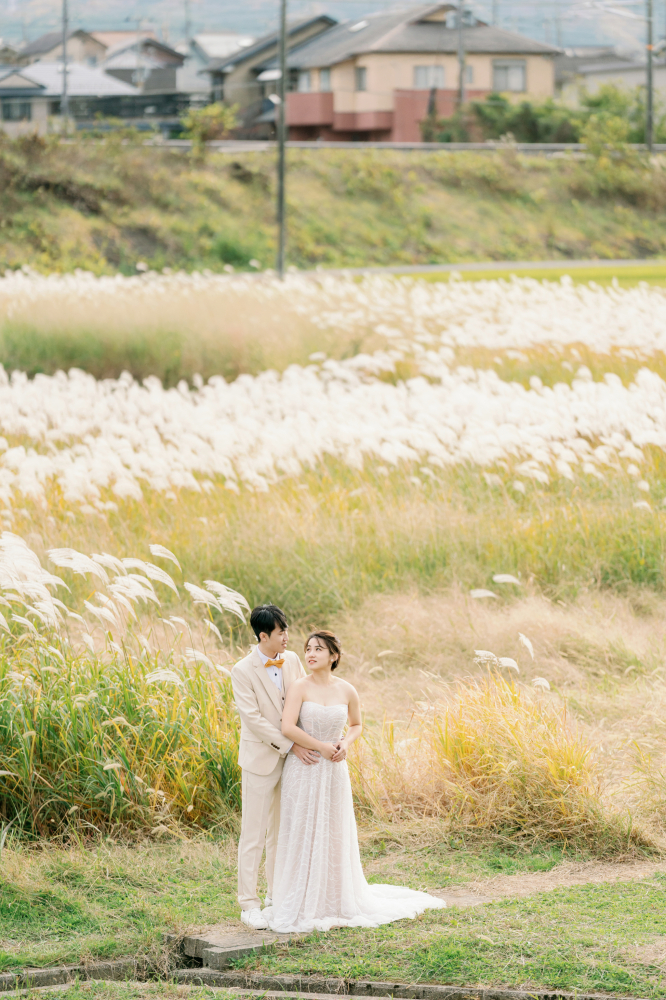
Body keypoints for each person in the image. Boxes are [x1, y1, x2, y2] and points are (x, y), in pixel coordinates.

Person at [264, 630, 446, 933]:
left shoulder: (347, 690)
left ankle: (333, 897)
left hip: (334, 769)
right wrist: (320, 746)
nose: (310, 654)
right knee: (302, 828)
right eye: (308, 649)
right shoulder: (299, 687)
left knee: (332, 829)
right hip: (305, 767)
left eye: (318, 649)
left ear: (333, 656)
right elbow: (286, 726)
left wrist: (345, 742)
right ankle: (301, 897)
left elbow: (358, 724)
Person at [230, 604, 320, 930]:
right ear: (263, 635)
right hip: (260, 760)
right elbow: (253, 720)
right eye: (281, 632)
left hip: (293, 761)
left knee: (282, 831)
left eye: (286, 630)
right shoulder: (242, 670)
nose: (287, 637)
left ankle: (275, 896)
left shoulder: (293, 659)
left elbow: (301, 703)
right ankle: (248, 905)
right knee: (253, 834)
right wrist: (290, 744)